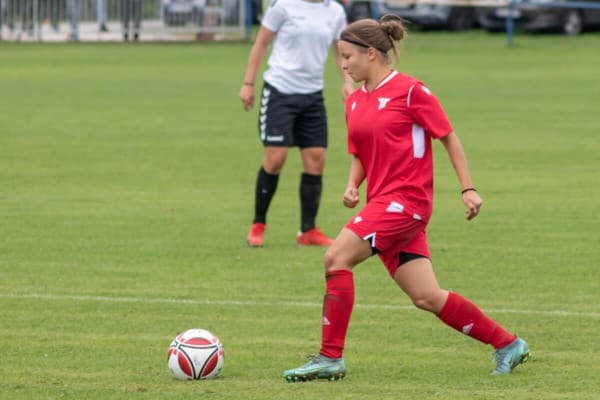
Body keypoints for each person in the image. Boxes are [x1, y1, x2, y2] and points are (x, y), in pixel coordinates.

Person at [283, 15, 530, 382]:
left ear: (371, 54)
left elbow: (448, 137)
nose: (343, 65)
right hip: (382, 203)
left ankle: (329, 357)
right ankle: (508, 343)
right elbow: (361, 153)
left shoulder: (411, 91)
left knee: (336, 257)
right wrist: (353, 184)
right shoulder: (354, 102)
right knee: (426, 296)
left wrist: (468, 188)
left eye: (347, 56)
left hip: (407, 202)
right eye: (339, 57)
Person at [240, 0, 354, 248]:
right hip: (280, 92)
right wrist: (248, 84)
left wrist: (347, 80)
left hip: (313, 95)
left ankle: (308, 230)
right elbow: (261, 43)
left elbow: (341, 50)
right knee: (275, 159)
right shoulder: (283, 6)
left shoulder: (334, 11)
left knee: (316, 159)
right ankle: (258, 225)